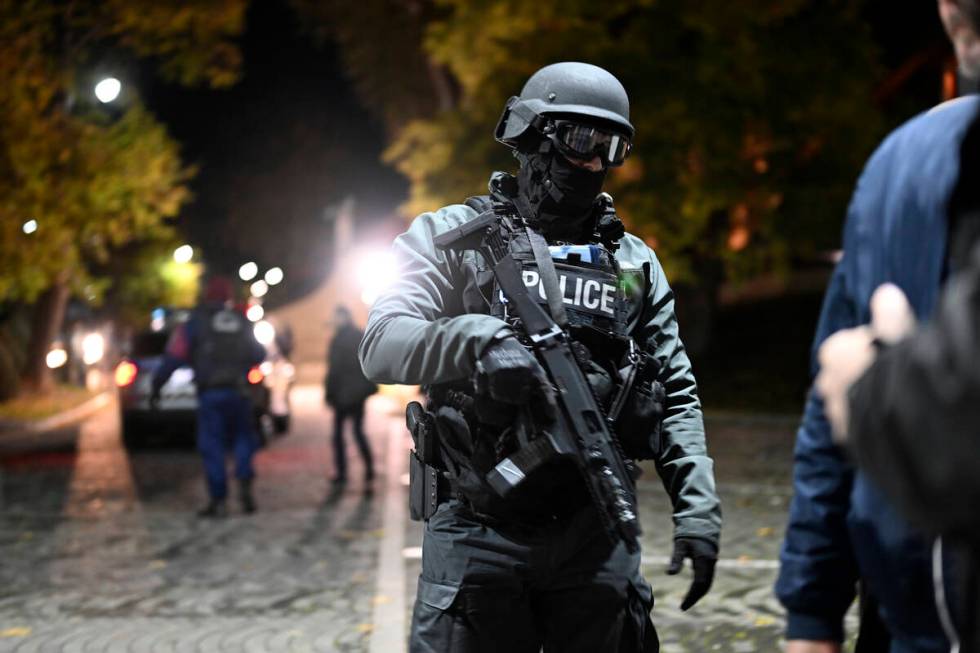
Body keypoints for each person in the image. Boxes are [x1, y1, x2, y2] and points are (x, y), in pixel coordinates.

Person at [359, 62, 721, 653]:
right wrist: (477, 341)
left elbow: (675, 391)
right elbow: (381, 344)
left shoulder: (631, 264)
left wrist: (698, 511)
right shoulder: (455, 238)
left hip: (596, 529)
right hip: (479, 529)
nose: (595, 163)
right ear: (533, 135)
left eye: (613, 147)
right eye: (581, 140)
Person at [776, 2, 980, 651]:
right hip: (904, 619)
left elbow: (836, 394)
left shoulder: (897, 158)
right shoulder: (901, 162)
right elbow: (828, 401)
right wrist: (812, 609)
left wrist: (811, 612)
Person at [152, 275, 266, 517]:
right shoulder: (241, 320)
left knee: (212, 445)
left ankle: (219, 500)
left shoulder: (195, 323)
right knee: (243, 440)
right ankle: (245, 487)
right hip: (240, 392)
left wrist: (157, 385)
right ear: (228, 296)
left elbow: (173, 356)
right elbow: (259, 353)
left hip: (211, 394)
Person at [324, 305, 376, 485]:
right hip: (358, 393)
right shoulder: (360, 334)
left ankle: (342, 472)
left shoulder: (338, 339)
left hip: (342, 394)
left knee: (339, 434)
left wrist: (329, 393)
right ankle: (369, 468)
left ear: (343, 317)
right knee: (358, 431)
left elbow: (334, 369)